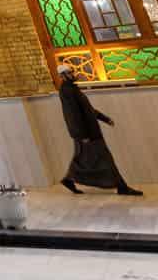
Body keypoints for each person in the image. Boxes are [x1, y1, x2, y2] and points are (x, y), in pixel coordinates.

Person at [57, 63, 143, 196]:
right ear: (62, 76)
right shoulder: (67, 91)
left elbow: (88, 110)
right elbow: (72, 114)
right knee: (104, 159)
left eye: (71, 71)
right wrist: (82, 135)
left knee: (82, 159)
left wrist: (104, 118)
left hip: (88, 132)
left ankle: (69, 179)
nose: (72, 74)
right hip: (87, 133)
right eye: (69, 73)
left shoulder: (72, 89)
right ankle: (122, 187)